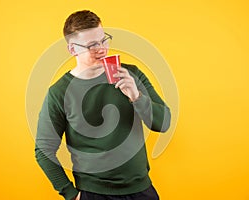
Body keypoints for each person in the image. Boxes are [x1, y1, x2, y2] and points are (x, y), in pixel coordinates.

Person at [35, 10, 171, 200]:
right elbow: (43, 150)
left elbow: (164, 123)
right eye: (91, 45)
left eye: (103, 40)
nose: (101, 49)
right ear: (73, 49)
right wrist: (71, 195)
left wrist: (136, 96)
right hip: (94, 194)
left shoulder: (131, 75)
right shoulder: (59, 93)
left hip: (141, 189)